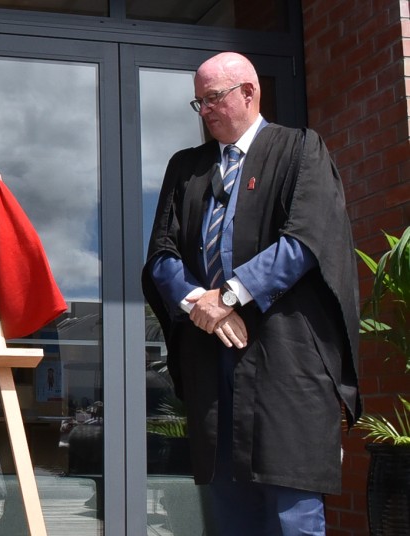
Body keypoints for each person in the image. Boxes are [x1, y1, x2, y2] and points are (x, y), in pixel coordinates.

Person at [142, 52, 361, 535]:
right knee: (227, 507)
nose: (207, 110)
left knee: (291, 510)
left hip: (286, 360)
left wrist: (232, 295)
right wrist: (204, 305)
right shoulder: (186, 168)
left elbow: (306, 240)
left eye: (215, 97)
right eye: (199, 102)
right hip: (211, 357)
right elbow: (161, 254)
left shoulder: (301, 150)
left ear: (249, 91)